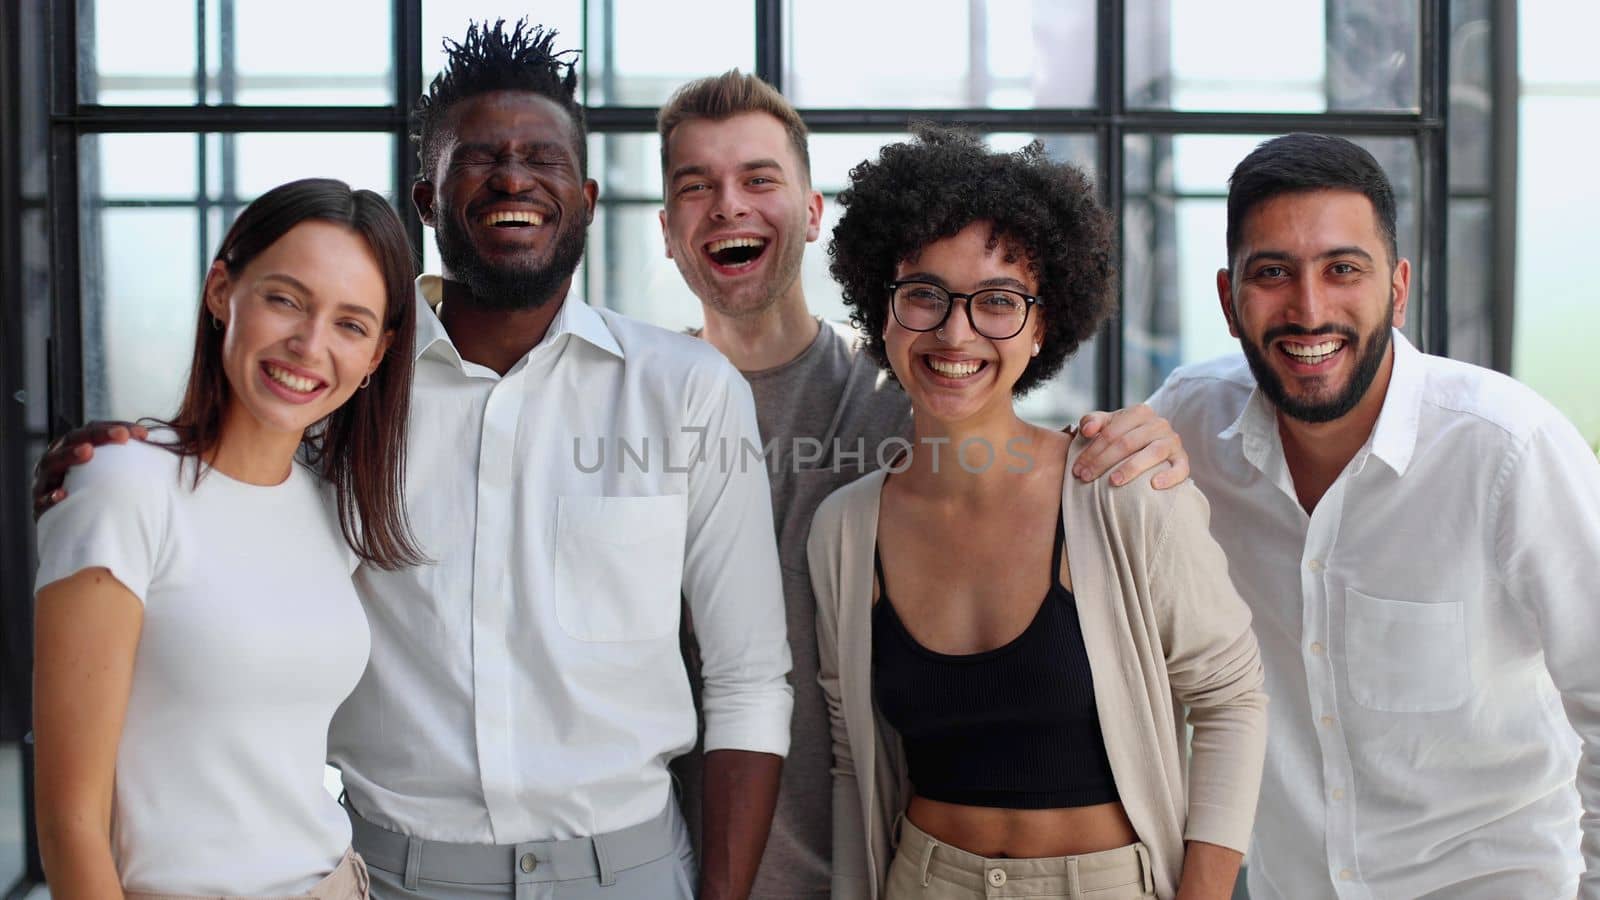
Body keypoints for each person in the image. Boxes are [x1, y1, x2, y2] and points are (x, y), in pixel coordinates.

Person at [33, 21, 792, 900]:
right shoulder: (344, 395)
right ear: (426, 198)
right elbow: (221, 497)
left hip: (630, 873)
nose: (513, 176)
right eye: (479, 157)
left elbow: (747, 681)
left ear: (584, 196)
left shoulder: (688, 391)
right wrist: (107, 460)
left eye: (542, 158)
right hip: (388, 879)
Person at [654, 73, 1195, 900]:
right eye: (698, 187)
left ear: (810, 212)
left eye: (759, 179)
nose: (729, 205)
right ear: (665, 229)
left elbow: (1022, 445)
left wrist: (1137, 436)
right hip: (673, 870)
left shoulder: (910, 398)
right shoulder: (634, 407)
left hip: (875, 870)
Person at [808, 128, 1267, 900]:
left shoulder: (1119, 488)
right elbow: (856, 761)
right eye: (923, 294)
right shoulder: (846, 531)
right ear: (880, 310)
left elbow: (1230, 700)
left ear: (1042, 324)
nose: (955, 333)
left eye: (997, 301)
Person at [1147, 132, 1600, 899]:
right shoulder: (1188, 428)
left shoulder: (1507, 450)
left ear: (1397, 288)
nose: (1309, 308)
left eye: (1342, 269)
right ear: (1229, 301)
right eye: (1272, 274)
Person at [32, 177, 420, 899]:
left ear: (377, 355)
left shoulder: (334, 509)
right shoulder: (120, 488)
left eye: (351, 324)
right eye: (286, 300)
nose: (309, 345)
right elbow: (69, 821)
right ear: (221, 292)